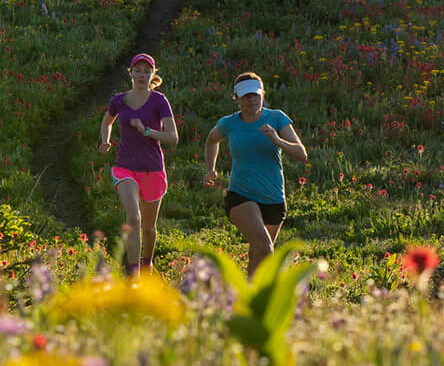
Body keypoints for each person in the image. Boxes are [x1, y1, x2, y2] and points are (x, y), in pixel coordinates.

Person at [203, 71, 308, 272]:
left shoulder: (277, 118)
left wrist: (277, 140)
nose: (251, 99)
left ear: (262, 95)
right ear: (236, 99)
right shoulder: (229, 123)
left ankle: (245, 300)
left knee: (258, 258)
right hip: (241, 195)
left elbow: (302, 154)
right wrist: (210, 169)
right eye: (245, 95)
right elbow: (211, 140)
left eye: (255, 94)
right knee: (266, 248)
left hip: (274, 198)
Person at [98, 52, 178, 274]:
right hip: (125, 167)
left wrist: (148, 131)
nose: (142, 74)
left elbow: (173, 137)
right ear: (131, 73)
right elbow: (106, 122)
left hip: (153, 169)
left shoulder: (159, 101)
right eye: (138, 70)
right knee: (133, 217)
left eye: (147, 70)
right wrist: (105, 140)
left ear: (152, 74)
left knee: (149, 229)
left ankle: (146, 264)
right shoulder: (118, 101)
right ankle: (134, 274)